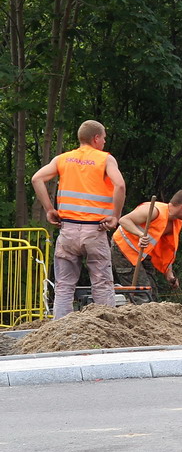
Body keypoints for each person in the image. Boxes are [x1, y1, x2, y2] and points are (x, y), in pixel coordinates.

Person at [31, 120, 126, 318]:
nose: (105, 142)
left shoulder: (63, 159)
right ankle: (106, 328)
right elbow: (120, 186)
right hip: (95, 231)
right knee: (102, 284)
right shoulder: (105, 160)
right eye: (104, 138)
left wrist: (50, 209)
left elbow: (36, 178)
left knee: (64, 286)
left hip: (68, 231)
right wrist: (115, 216)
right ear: (96, 138)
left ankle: (60, 331)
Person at [111, 190, 182, 303]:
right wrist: (141, 234)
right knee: (142, 294)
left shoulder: (174, 223)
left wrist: (169, 273)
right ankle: (137, 318)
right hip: (124, 249)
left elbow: (166, 249)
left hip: (143, 252)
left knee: (152, 293)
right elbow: (124, 220)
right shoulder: (154, 211)